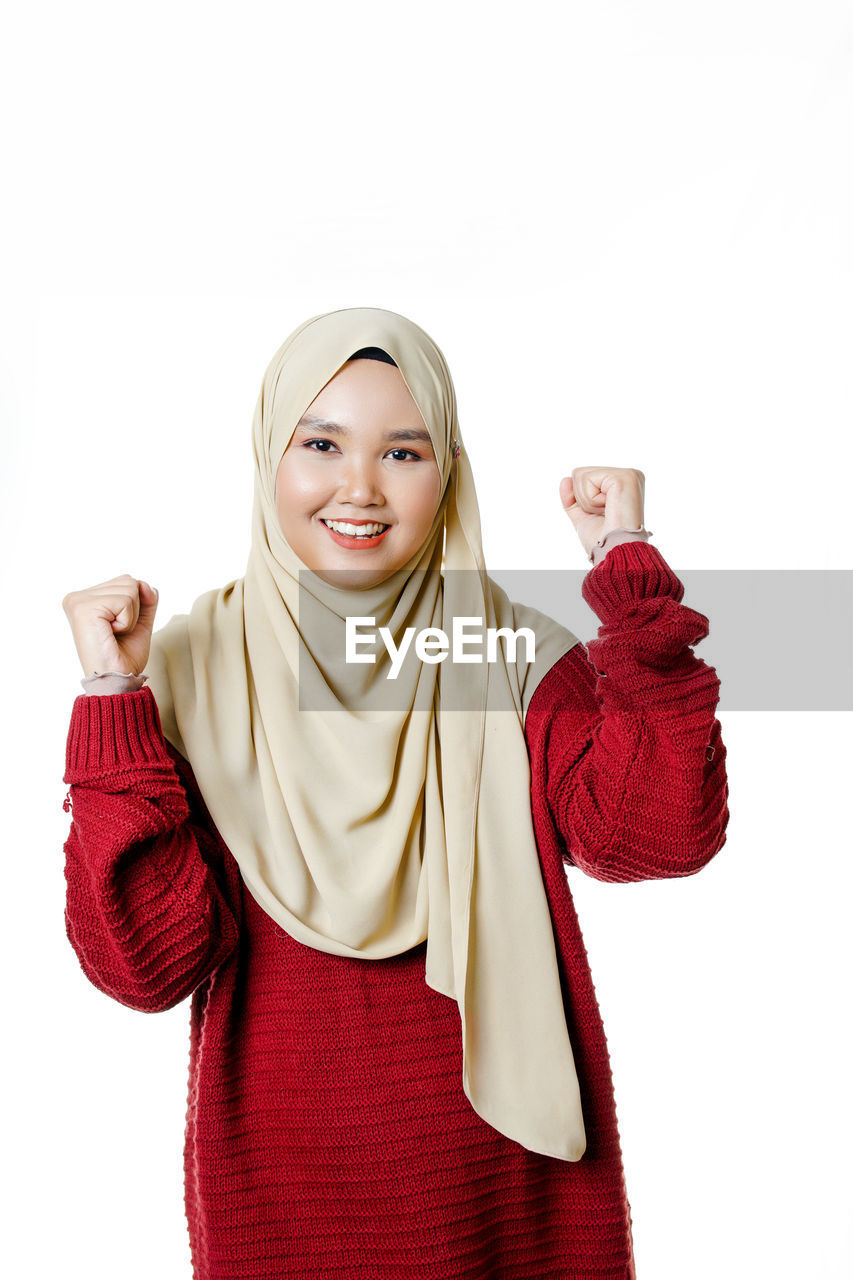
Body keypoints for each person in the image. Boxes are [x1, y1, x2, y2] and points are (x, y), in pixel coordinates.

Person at [60, 306, 729, 1279]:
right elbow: (149, 965)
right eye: (320, 442)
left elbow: (660, 830)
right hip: (283, 1220)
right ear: (268, 455)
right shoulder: (192, 675)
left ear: (447, 473)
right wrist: (113, 697)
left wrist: (621, 562)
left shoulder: (502, 655)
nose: (359, 487)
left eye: (404, 452)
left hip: (513, 1210)